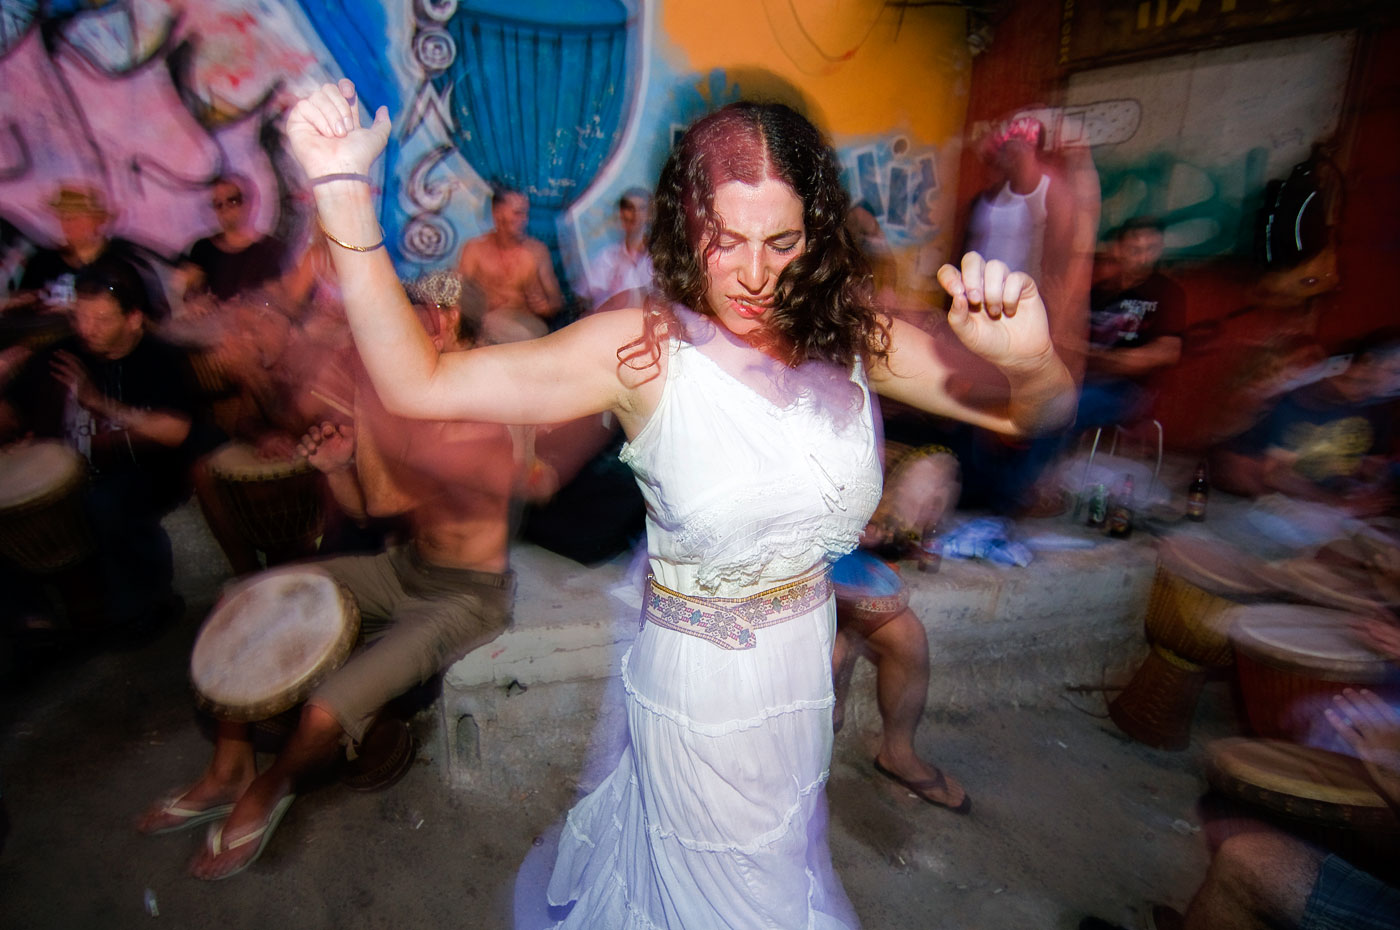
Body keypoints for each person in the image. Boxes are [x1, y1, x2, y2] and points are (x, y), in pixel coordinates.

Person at [285, 78, 1075, 927]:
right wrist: (341, 192)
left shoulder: (851, 335)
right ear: (684, 224)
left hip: (802, 667)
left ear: (817, 231)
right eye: (724, 239)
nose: (754, 274)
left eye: (781, 241)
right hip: (701, 692)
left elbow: (1041, 411)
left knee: (774, 859)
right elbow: (418, 381)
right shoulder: (645, 347)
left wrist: (1029, 364)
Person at [136, 271, 520, 880]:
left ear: (444, 322)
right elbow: (372, 507)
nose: (393, 337)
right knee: (246, 596)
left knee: (323, 711)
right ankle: (228, 765)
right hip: (405, 568)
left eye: (410, 318)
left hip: (463, 599)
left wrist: (366, 397)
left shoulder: (480, 411)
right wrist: (339, 467)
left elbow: (391, 498)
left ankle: (270, 786)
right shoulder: (422, 396)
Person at [4, 263, 196, 635]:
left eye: (101, 319)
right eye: (80, 317)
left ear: (134, 319)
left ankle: (145, 607)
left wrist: (101, 403)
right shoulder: (63, 353)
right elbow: (12, 412)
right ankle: (30, 621)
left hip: (146, 470)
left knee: (107, 501)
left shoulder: (159, 357)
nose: (86, 328)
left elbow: (176, 431)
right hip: (75, 472)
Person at [831, 444, 969, 812]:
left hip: (851, 561)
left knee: (909, 640)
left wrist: (902, 515)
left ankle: (897, 753)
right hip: (787, 561)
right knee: (832, 657)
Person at [1080, 217, 1187, 429]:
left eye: (1152, 249)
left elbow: (1167, 353)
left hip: (1128, 390)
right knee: (1032, 396)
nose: (1144, 257)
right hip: (1083, 378)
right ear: (1118, 250)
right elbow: (1071, 340)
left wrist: (1094, 359)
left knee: (1062, 406)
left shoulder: (1166, 292)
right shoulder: (1100, 292)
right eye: (1135, 250)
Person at [14, 183, 171, 321]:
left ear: (98, 221)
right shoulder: (42, 261)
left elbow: (149, 315)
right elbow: (20, 308)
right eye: (64, 217)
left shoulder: (124, 263)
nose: (69, 224)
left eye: (78, 217)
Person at [456, 185, 563, 343]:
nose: (524, 220)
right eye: (517, 213)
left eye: (525, 214)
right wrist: (481, 305)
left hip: (525, 328)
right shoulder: (474, 250)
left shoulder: (537, 251)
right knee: (485, 327)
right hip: (483, 327)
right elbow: (457, 295)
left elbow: (556, 301)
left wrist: (545, 307)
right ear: (497, 213)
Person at [179, 174, 289, 303]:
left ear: (250, 203)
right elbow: (191, 295)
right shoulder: (203, 249)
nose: (224, 209)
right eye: (218, 204)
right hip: (216, 321)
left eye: (232, 201)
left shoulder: (274, 250)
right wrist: (196, 301)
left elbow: (283, 301)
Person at [587, 187, 654, 312]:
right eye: (629, 208)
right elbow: (594, 302)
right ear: (621, 213)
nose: (635, 215)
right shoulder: (607, 257)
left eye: (642, 208)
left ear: (650, 214)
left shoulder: (660, 257)